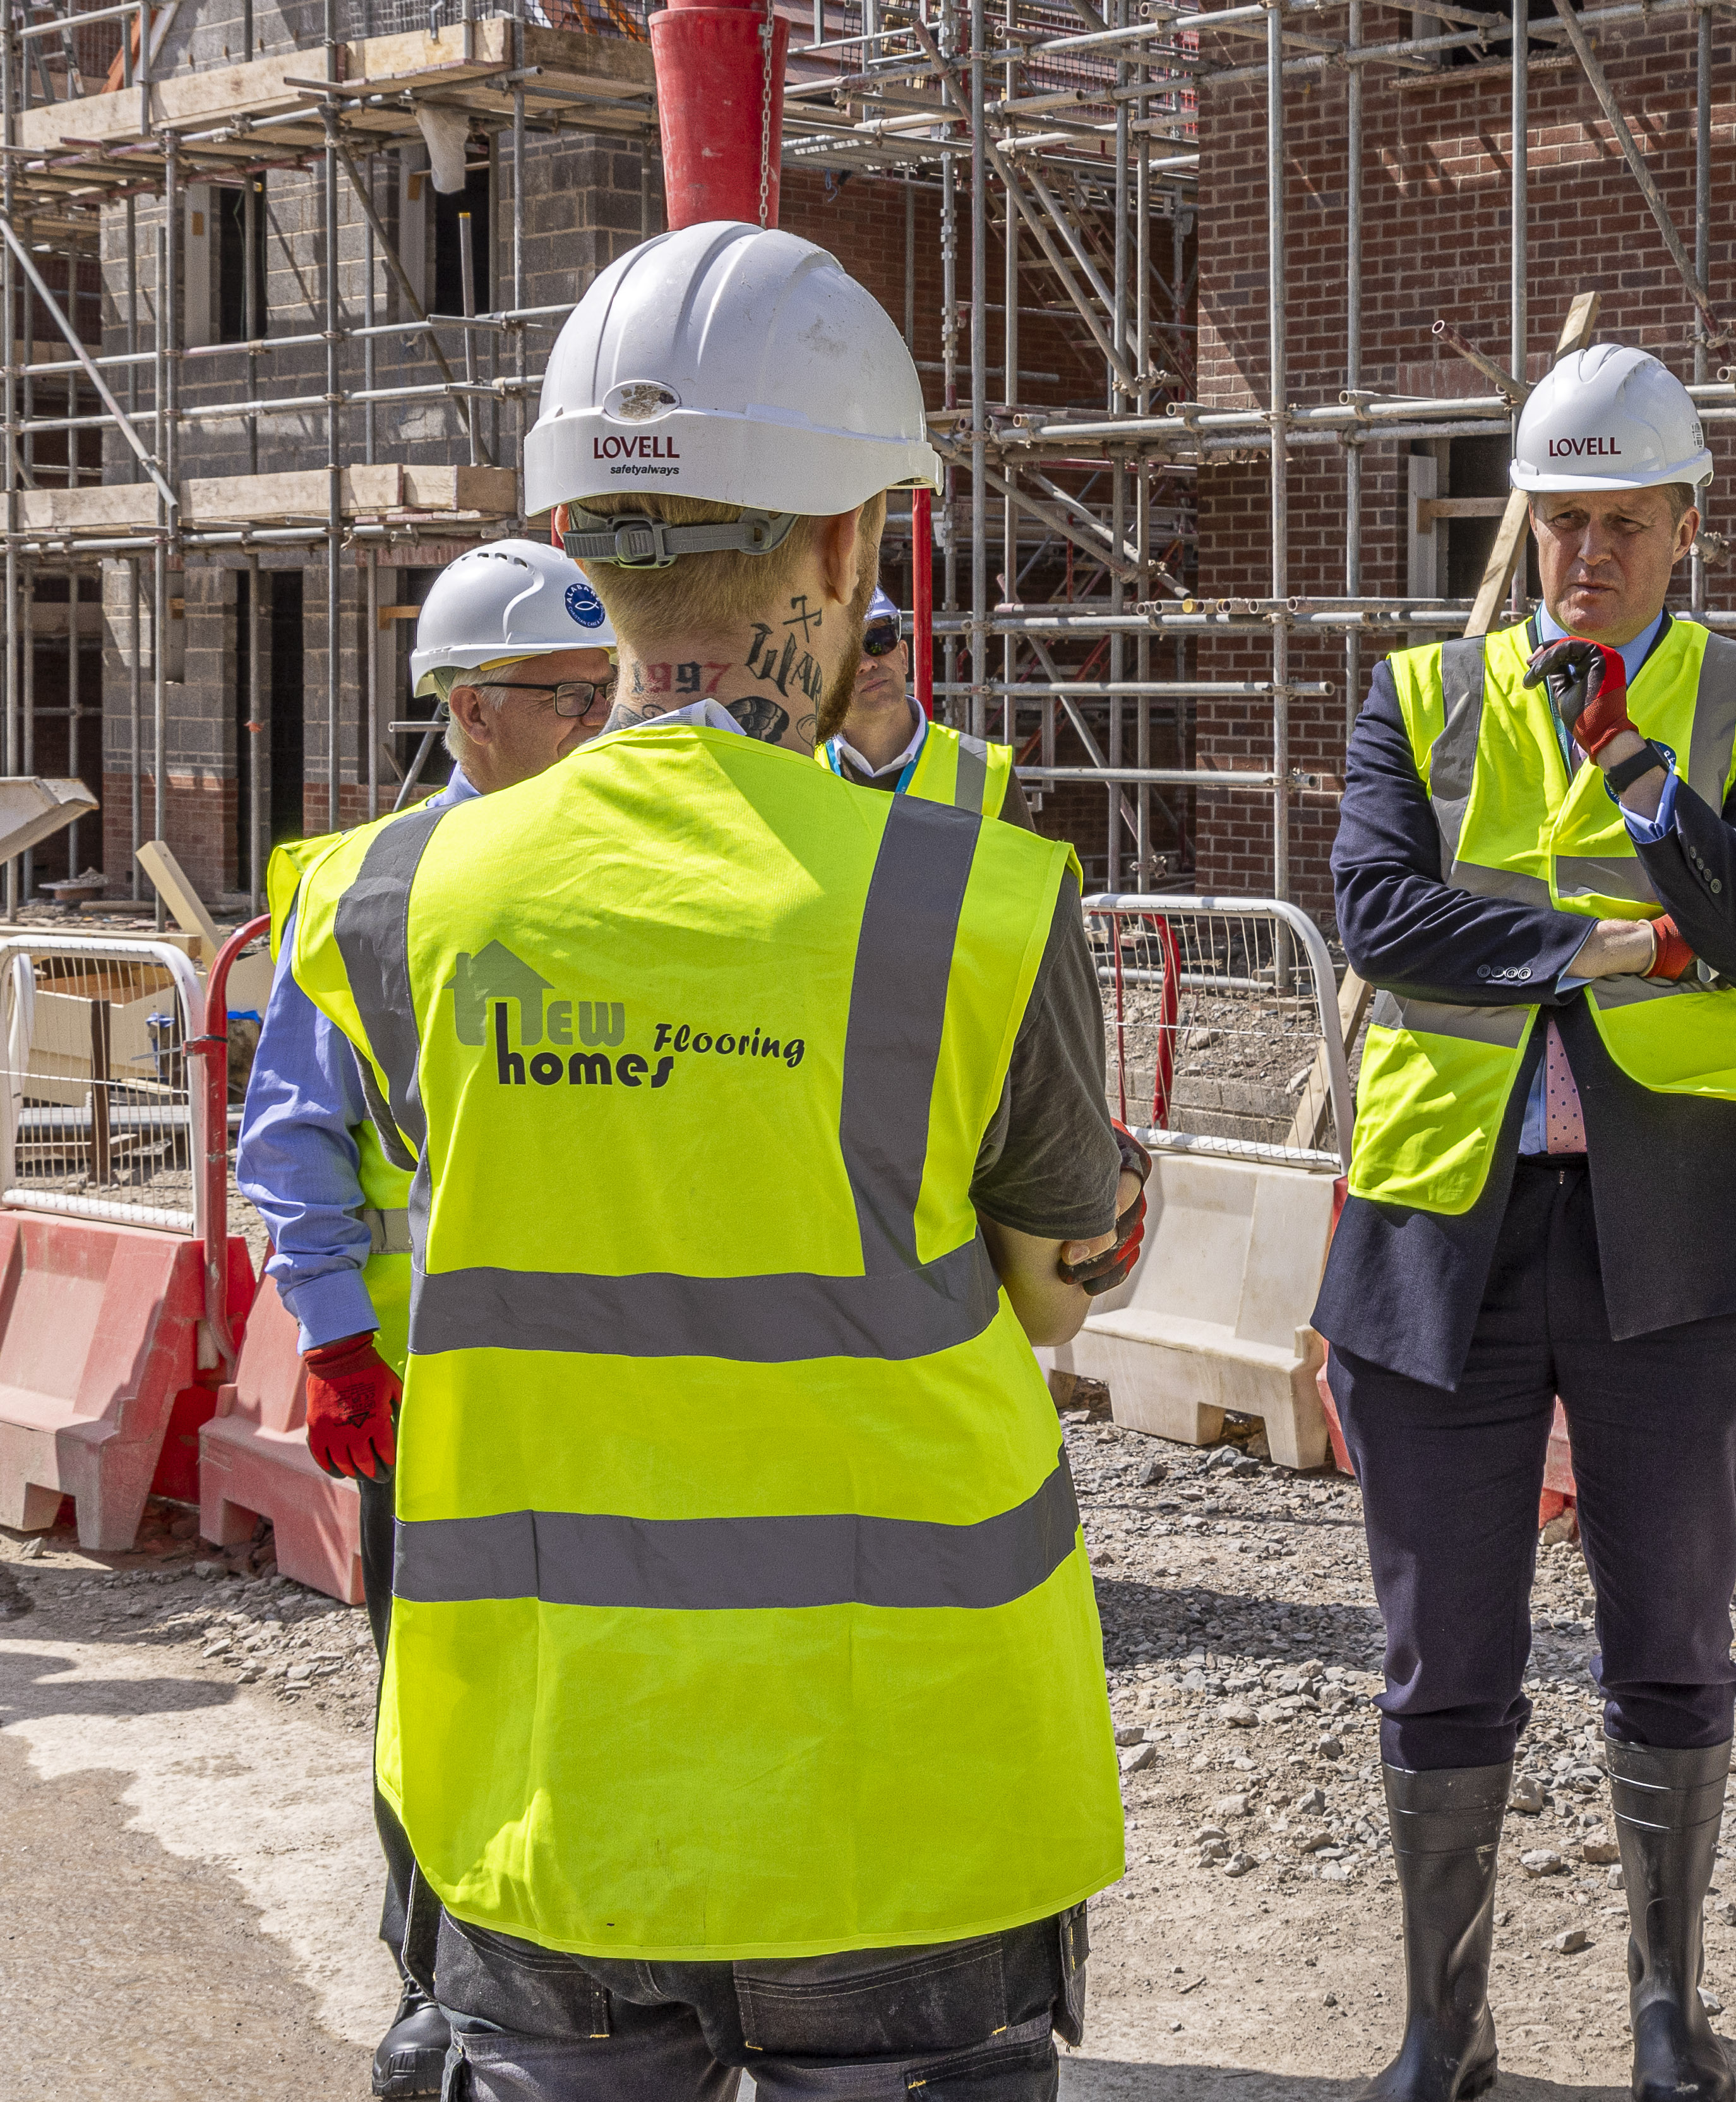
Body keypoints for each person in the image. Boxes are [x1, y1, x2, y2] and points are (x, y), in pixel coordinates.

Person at [285, 219, 1144, 2099]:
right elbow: (1052, 1288)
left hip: (551, 1790)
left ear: (576, 545)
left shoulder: (396, 899)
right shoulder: (972, 903)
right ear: (848, 543)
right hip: (907, 1793)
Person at [1320, 340, 1736, 2102]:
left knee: (1671, 1637)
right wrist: (1610, 942)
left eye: (1620, 522)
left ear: (1685, 526)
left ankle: (1665, 2016)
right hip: (1437, 1229)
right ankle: (1437, 2030)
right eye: (1558, 523)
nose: (1584, 558)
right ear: (1523, 525)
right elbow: (1382, 918)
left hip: (1675, 1233)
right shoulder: (1414, 695)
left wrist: (1631, 771)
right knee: (1437, 1651)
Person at [235, 534, 618, 2101]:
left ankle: (598, 1968)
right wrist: (335, 1337)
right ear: (469, 709)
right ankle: (435, 1979)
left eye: (616, 691)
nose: (605, 721)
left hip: (608, 1376)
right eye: (568, 696)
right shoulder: (382, 892)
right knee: (444, 1702)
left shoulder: (623, 868)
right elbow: (292, 1138)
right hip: (430, 1386)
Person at [822, 586, 1026, 819]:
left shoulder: (986, 773)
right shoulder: (800, 766)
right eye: (845, 654)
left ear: (903, 656)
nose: (866, 663)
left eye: (878, 639)